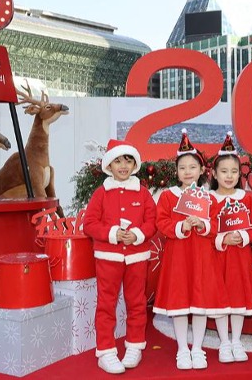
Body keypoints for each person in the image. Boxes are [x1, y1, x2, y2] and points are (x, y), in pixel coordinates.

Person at [153, 129, 230, 370]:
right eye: (182, 167)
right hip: (178, 258)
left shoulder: (209, 198)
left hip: (202, 258)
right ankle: (182, 349)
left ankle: (197, 347)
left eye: (192, 167)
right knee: (179, 303)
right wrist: (180, 226)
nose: (187, 172)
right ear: (176, 172)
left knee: (200, 303)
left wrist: (203, 224)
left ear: (201, 171)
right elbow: (161, 222)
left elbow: (218, 224)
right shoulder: (168, 196)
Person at [83, 139, 157, 375]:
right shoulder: (101, 193)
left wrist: (136, 235)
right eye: (117, 161)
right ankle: (105, 352)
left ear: (135, 164)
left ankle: (134, 346)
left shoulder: (144, 194)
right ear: (109, 165)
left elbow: (152, 222)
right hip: (108, 258)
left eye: (128, 160)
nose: (123, 166)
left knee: (137, 303)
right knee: (106, 304)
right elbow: (89, 224)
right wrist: (113, 233)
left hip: (137, 257)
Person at [209, 132, 252, 363]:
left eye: (234, 171)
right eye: (224, 171)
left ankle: (237, 341)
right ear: (213, 174)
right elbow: (207, 228)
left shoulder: (247, 199)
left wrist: (241, 236)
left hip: (240, 258)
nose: (229, 176)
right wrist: (222, 238)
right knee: (221, 300)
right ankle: (224, 342)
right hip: (217, 258)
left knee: (239, 300)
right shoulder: (209, 199)